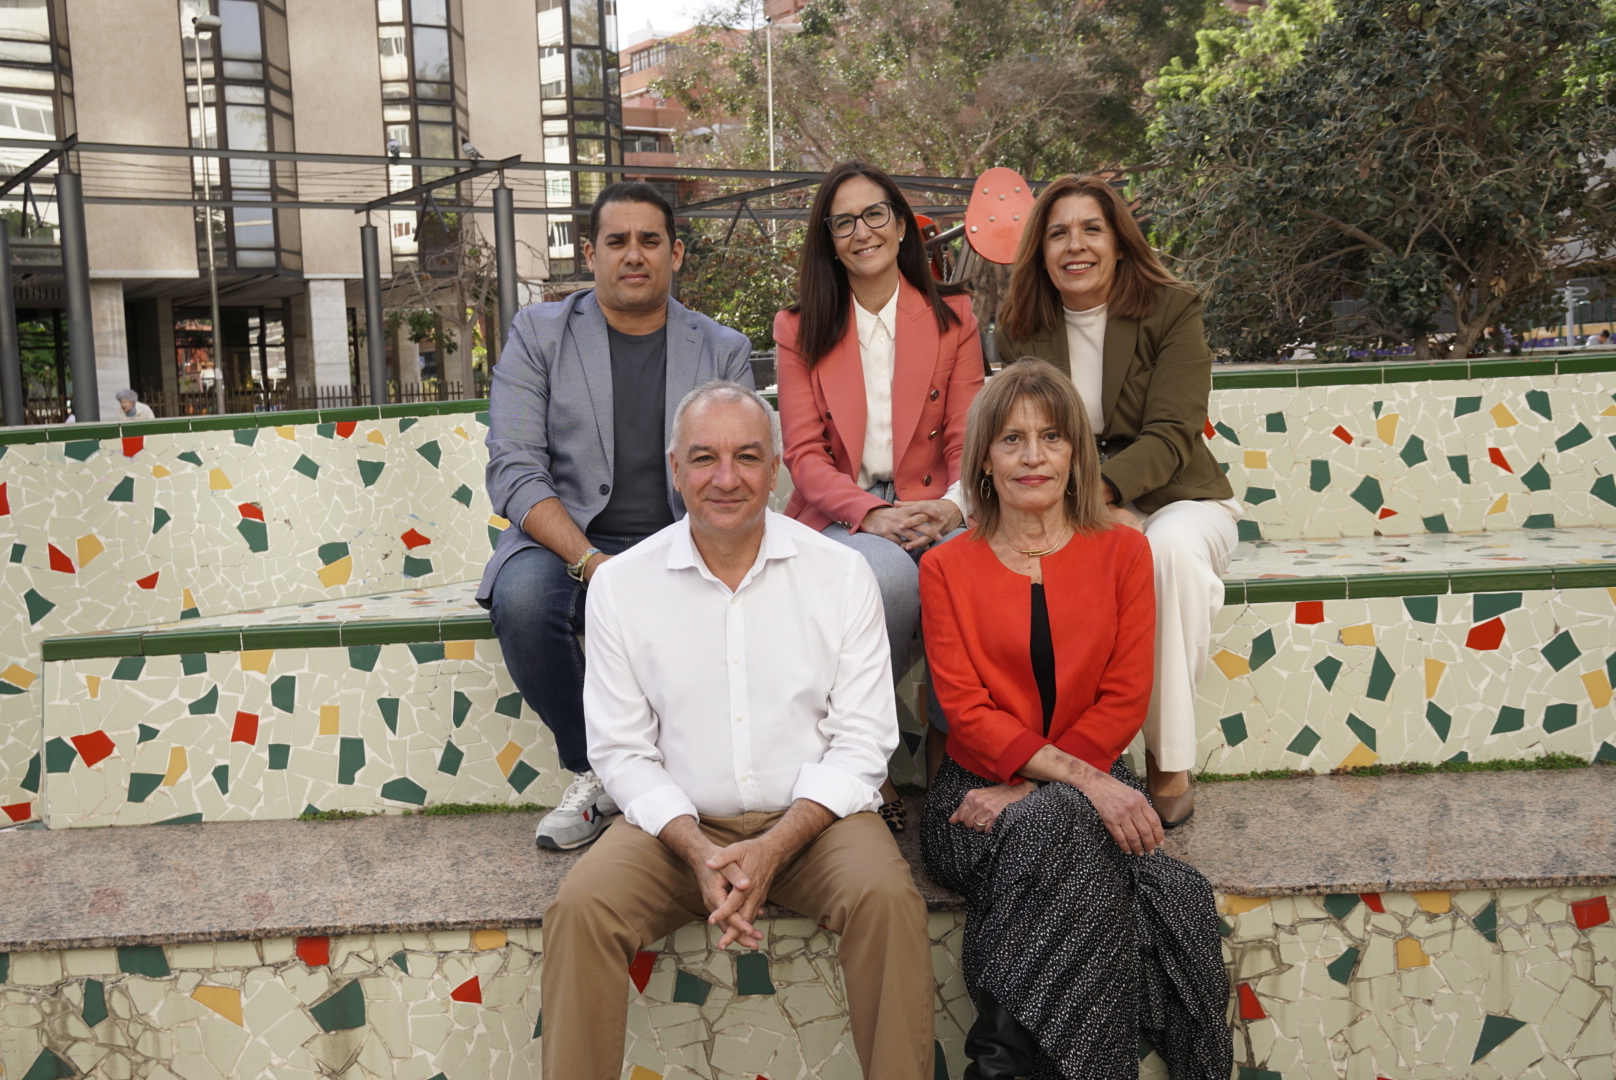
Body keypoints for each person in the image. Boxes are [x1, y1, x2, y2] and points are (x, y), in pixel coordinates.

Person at [542, 381, 933, 1080]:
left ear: (776, 469)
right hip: (677, 832)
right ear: (675, 469)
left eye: (747, 457)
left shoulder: (841, 574)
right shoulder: (622, 586)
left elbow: (864, 739)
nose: (726, 478)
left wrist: (776, 846)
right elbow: (622, 752)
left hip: (815, 826)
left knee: (887, 900)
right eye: (704, 458)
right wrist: (697, 848)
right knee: (581, 909)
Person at [919, 360, 1232, 1080]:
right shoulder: (944, 568)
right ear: (985, 462)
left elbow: (1124, 697)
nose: (1033, 456)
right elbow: (967, 714)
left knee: (1060, 833)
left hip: (1075, 784)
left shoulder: (1125, 552)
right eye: (1012, 440)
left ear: (1075, 455)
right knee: (1073, 835)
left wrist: (1040, 788)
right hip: (972, 798)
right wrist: (1081, 785)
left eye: (1052, 437)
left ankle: (998, 1064)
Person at [478, 181, 753, 850]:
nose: (634, 254)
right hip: (566, 539)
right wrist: (591, 562)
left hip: (682, 538)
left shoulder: (721, 348)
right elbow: (513, 465)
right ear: (590, 253)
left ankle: (694, 774)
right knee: (521, 601)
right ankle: (598, 769)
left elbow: (740, 467)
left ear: (675, 254)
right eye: (617, 241)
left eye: (650, 241)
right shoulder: (538, 334)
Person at [996, 174, 1242, 827]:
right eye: (1058, 233)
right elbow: (1024, 435)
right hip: (1069, 502)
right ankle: (1060, 756)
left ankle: (1168, 758)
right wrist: (1086, 509)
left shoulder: (1172, 308)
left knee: (1167, 553)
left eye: (1091, 229)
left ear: (1119, 240)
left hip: (1178, 496)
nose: (1075, 245)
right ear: (1040, 250)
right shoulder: (1020, 326)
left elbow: (1173, 432)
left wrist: (1100, 495)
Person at [775, 161, 984, 825]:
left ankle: (956, 755)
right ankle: (861, 761)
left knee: (966, 571)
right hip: (845, 511)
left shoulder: (953, 317)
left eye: (874, 215)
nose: (861, 231)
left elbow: (967, 438)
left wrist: (953, 506)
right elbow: (804, 456)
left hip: (940, 503)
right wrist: (872, 513)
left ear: (899, 227)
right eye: (843, 222)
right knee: (886, 577)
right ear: (830, 241)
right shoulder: (799, 328)